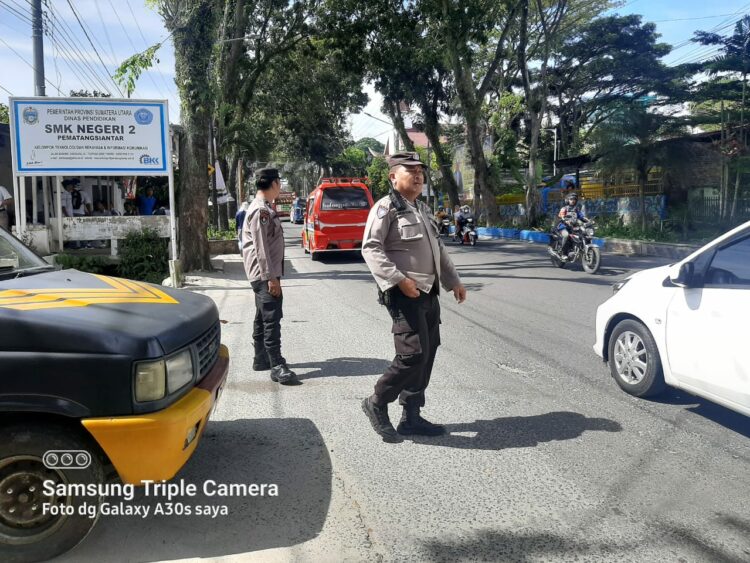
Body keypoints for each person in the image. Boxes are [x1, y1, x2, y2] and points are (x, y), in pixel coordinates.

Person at [361, 151, 467, 443]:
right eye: (411, 170)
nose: (418, 175)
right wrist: (398, 280)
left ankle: (411, 416)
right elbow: (371, 248)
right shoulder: (386, 208)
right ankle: (377, 402)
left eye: (420, 170)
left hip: (428, 292)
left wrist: (453, 281)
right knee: (412, 355)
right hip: (404, 294)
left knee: (428, 351)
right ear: (393, 176)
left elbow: (439, 251)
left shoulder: (421, 208)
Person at [241, 168, 298, 385]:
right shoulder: (260, 211)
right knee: (271, 317)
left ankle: (260, 358)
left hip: (264, 273)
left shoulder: (262, 208)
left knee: (262, 315)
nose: (280, 188)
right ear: (274, 184)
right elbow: (261, 248)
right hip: (265, 274)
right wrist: (271, 278)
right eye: (279, 184)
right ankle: (277, 365)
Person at [556, 192, 589, 260]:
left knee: (583, 234)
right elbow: (562, 216)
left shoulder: (576, 209)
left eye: (574, 199)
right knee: (566, 235)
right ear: (568, 200)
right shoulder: (564, 208)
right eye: (571, 199)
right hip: (563, 226)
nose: (573, 200)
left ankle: (579, 250)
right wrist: (565, 220)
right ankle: (563, 253)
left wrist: (588, 220)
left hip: (573, 227)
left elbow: (581, 217)